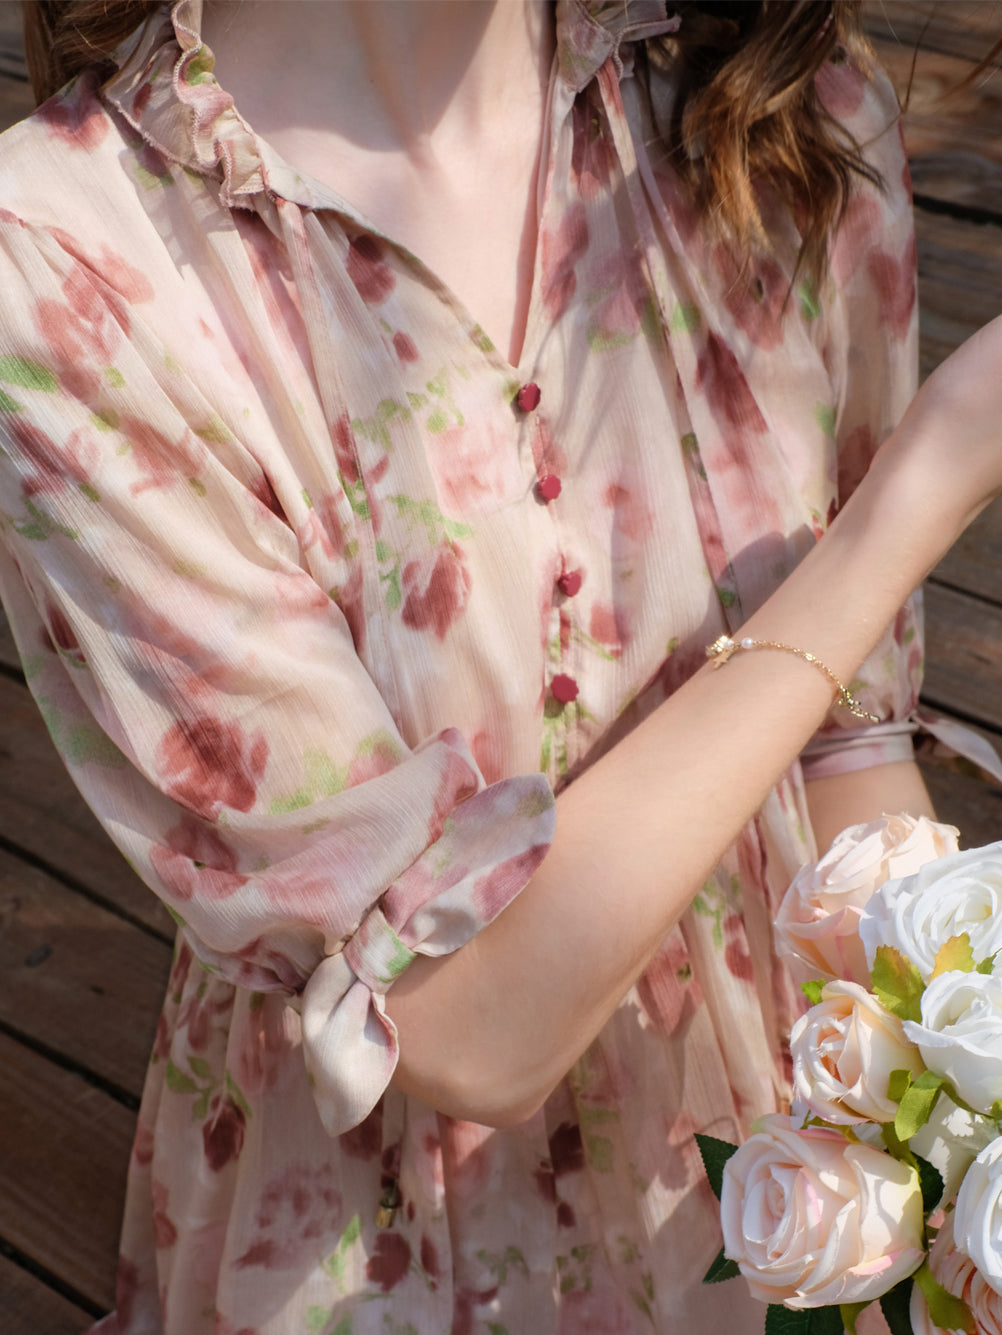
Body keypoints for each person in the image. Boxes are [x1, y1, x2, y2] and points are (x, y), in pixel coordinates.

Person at [1, 1, 1000, 1331]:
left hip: (792, 1197)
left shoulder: (775, 110)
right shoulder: (65, 258)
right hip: (389, 1252)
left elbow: (848, 755)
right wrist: (918, 494)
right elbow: (460, 1024)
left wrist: (951, 1153)